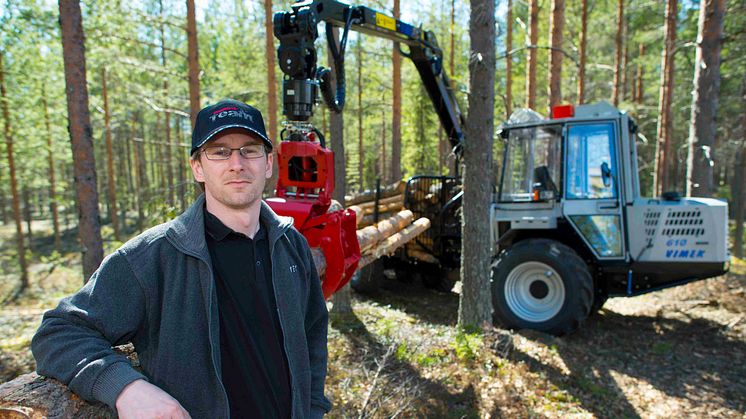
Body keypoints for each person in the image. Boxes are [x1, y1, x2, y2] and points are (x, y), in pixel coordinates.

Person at [31, 99, 332, 419]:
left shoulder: (291, 247)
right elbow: (59, 332)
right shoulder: (152, 258)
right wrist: (125, 388)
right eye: (219, 151)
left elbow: (312, 334)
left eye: (250, 149)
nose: (236, 163)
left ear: (269, 163)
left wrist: (312, 408)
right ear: (198, 167)